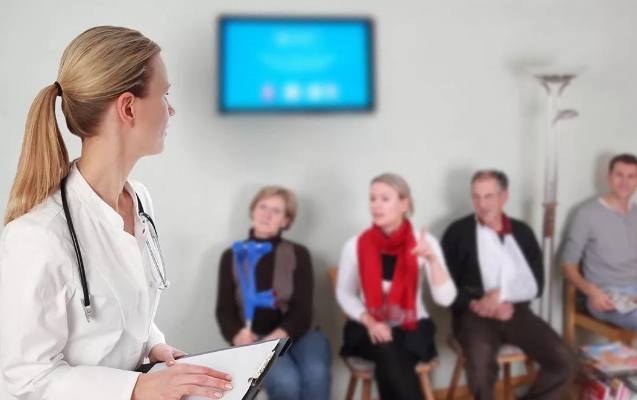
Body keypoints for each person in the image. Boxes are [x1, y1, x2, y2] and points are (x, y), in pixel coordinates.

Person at [0, 26, 232, 400]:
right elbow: (27, 378)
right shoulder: (37, 236)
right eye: (165, 95)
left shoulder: (138, 201)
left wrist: (153, 345)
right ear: (128, 107)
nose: (171, 110)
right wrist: (137, 387)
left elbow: (118, 310)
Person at [441, 170, 576, 400]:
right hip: (472, 311)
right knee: (481, 361)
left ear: (504, 196)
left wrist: (500, 295)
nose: (482, 204)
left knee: (565, 360)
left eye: (489, 196)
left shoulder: (522, 232)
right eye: (476, 197)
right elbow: (445, 288)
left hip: (515, 310)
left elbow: (537, 285)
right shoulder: (457, 232)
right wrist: (478, 304)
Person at [335, 173, 457, 400]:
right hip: (367, 327)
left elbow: (445, 299)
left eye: (385, 198)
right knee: (387, 348)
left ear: (404, 204)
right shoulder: (355, 246)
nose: (376, 205)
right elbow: (345, 293)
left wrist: (433, 261)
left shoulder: (425, 243)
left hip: (412, 327)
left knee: (390, 354)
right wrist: (371, 323)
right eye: (372, 199)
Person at [215, 186, 332, 400]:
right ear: (253, 211)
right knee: (286, 382)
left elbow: (303, 309)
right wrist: (237, 335)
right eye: (262, 207)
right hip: (255, 337)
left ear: (286, 221)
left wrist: (276, 337)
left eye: (276, 211)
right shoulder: (231, 256)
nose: (267, 214)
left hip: (303, 332)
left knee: (316, 374)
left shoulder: (298, 254)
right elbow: (224, 309)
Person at [561, 154, 637, 329]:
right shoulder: (587, 213)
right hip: (606, 296)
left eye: (631, 177)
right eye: (619, 175)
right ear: (609, 177)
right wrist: (591, 291)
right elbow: (567, 265)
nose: (624, 182)